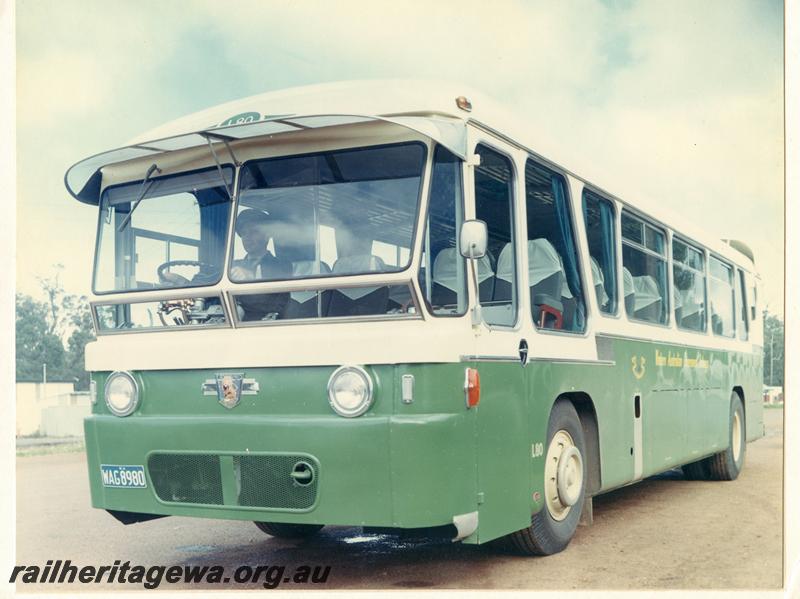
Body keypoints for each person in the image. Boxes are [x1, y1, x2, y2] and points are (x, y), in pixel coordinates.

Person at [231, 208, 292, 320]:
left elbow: (278, 304)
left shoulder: (282, 265)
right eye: (244, 233)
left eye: (253, 231)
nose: (247, 237)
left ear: (266, 235)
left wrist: (252, 278)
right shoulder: (233, 265)